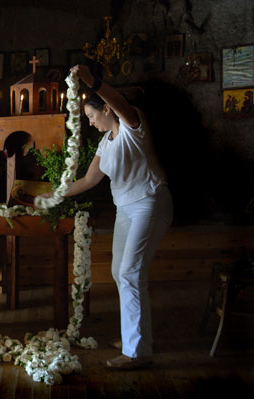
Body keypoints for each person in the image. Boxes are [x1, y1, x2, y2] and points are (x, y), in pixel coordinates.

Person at [60, 64, 173, 370]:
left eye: (92, 116)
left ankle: (136, 352)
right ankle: (136, 337)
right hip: (125, 209)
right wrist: (52, 195)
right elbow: (87, 181)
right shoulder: (105, 141)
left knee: (130, 273)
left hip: (149, 202)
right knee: (120, 272)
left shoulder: (131, 127)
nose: (90, 123)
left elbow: (121, 104)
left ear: (107, 108)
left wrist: (93, 81)